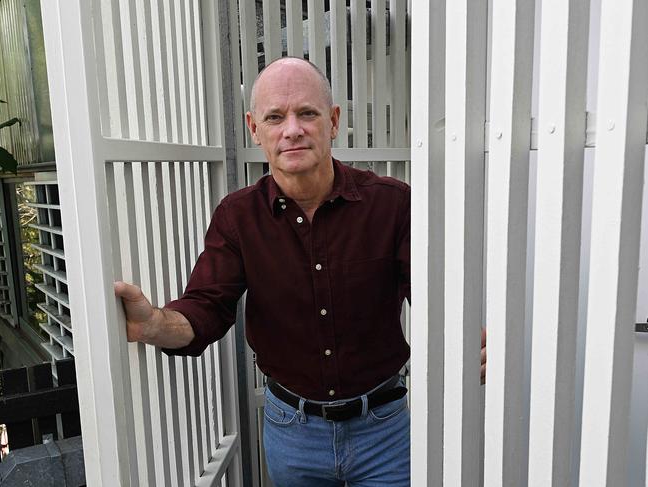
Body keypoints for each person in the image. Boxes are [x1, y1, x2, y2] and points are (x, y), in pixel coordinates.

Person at [115, 56, 486, 486]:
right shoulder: (237, 217)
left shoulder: (392, 204)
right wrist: (154, 324)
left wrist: (474, 334)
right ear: (255, 130)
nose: (292, 129)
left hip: (385, 430)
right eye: (275, 117)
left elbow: (432, 297)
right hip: (292, 434)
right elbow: (207, 308)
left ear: (333, 121)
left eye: (307, 113)